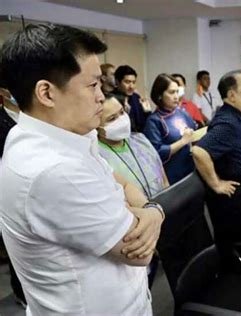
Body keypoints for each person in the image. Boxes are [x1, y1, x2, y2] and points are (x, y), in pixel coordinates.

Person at [0, 24, 164, 315]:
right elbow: (139, 252)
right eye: (92, 85)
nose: (102, 96)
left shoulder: (65, 135)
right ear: (47, 94)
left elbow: (122, 183)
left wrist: (146, 208)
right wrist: (155, 211)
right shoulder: (51, 169)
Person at [192, 70, 241, 273]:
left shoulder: (240, 117)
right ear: (231, 94)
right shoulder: (227, 122)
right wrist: (216, 184)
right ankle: (233, 291)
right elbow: (199, 152)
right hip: (235, 201)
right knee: (233, 251)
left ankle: (240, 282)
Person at [97, 93, 169, 199]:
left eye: (122, 112)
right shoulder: (98, 157)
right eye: (112, 118)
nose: (121, 119)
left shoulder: (140, 140)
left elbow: (163, 178)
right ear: (97, 127)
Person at [0, 78, 27, 308]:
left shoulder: (31, 113)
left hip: (36, 185)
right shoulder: (2, 120)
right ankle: (20, 292)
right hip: (10, 186)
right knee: (17, 245)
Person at [143, 74, 196, 185]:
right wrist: (182, 141)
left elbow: (195, 132)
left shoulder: (182, 113)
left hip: (191, 171)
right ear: (160, 95)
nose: (176, 96)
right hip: (172, 177)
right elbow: (157, 153)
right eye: (171, 92)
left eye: (177, 92)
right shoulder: (154, 121)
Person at [114, 65, 151, 132]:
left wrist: (147, 112)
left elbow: (143, 125)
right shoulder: (111, 100)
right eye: (127, 82)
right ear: (117, 82)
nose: (131, 86)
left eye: (133, 82)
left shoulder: (136, 97)